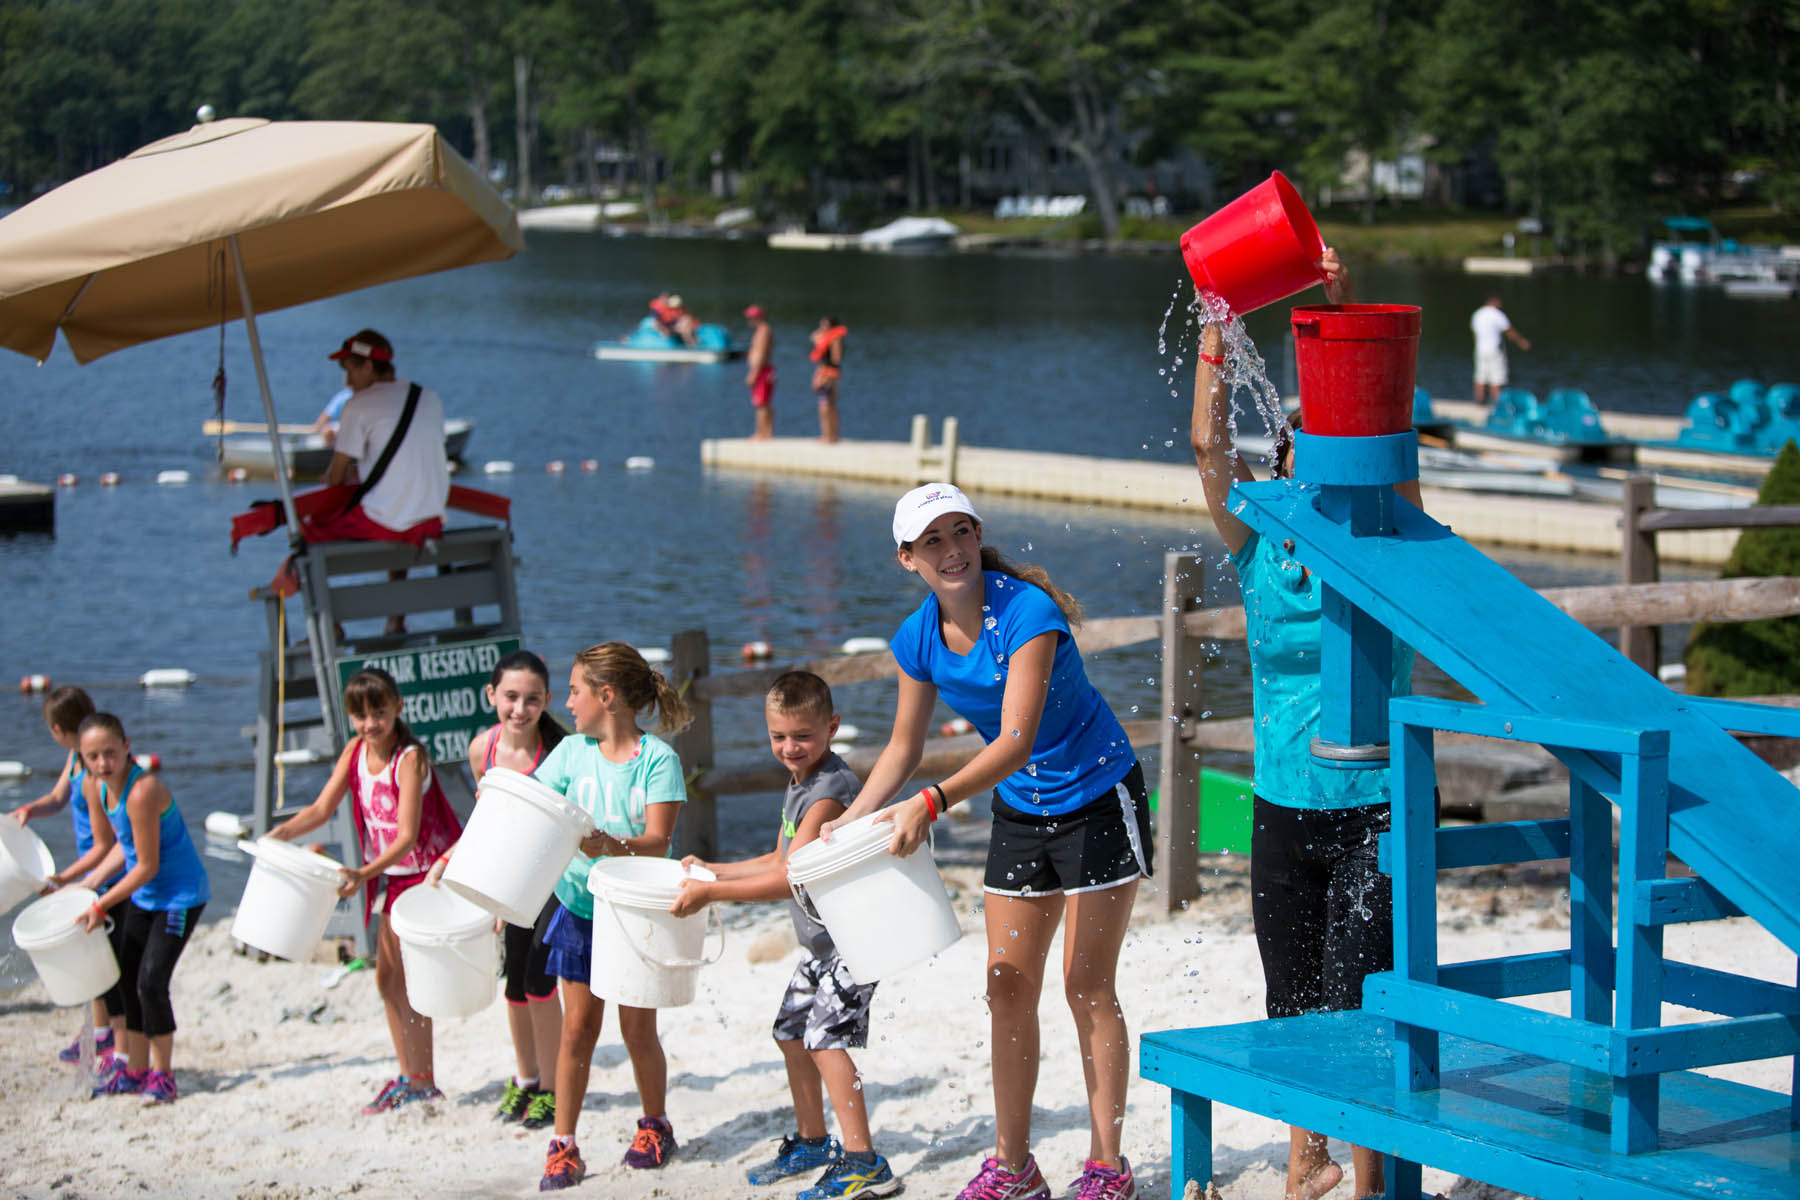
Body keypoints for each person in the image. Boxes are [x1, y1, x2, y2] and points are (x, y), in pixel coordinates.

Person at [829, 482, 1150, 1200]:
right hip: (1020, 810)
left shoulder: (1027, 612)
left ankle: (1108, 1167)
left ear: (978, 536)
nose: (951, 551)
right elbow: (904, 748)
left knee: (1086, 985)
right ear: (906, 558)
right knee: (1006, 985)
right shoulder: (917, 637)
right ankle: (1014, 1168)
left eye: (960, 533)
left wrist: (932, 804)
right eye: (932, 541)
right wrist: (851, 821)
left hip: (1099, 796)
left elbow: (1015, 740)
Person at [1190, 248, 1417, 1200]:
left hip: (1376, 800)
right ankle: (1303, 1166)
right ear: (1282, 463)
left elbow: (1377, 419)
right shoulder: (1259, 546)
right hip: (1282, 798)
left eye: (1330, 440)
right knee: (1292, 999)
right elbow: (1207, 450)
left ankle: (1368, 1178)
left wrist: (1341, 309)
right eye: (1296, 444)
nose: (1308, 455)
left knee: (1361, 993)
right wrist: (1215, 323)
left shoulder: (1386, 531)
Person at [670, 671, 900, 1200]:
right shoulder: (798, 783)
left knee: (825, 1040)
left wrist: (711, 896)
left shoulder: (831, 788)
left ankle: (864, 1160)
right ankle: (815, 1142)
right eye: (778, 737)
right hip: (819, 947)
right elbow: (778, 857)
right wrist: (714, 869)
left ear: (832, 728)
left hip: (853, 943)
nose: (790, 748)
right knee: (790, 1032)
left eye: (803, 736)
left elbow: (789, 878)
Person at [267, 667, 462, 1114]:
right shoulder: (356, 750)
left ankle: (422, 1079)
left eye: (379, 712)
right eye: (360, 715)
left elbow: (408, 837)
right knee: (387, 979)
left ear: (398, 708)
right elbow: (320, 808)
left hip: (423, 875)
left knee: (404, 982)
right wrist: (280, 835)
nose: (370, 723)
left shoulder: (409, 758)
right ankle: (411, 1074)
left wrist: (361, 872)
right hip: (389, 876)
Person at [533, 642, 691, 1191]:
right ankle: (563, 1143)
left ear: (607, 696)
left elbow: (658, 842)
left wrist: (608, 845)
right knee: (577, 1030)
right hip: (579, 909)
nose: (568, 703)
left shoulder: (658, 760)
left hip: (635, 913)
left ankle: (655, 1125)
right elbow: (533, 809)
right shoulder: (571, 752)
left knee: (636, 1029)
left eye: (575, 691)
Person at [426, 651, 566, 1130]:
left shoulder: (558, 753)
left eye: (531, 699)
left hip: (553, 881)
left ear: (547, 700)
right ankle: (526, 1079)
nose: (520, 709)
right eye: (510, 697)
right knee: (513, 985)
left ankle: (552, 1086)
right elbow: (488, 822)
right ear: (492, 696)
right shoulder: (481, 748)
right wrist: (452, 861)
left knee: (539, 982)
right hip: (507, 880)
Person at [46, 712, 210, 1103]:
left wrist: (101, 903)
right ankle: (135, 1070)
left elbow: (147, 864)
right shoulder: (100, 789)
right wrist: (83, 885)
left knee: (151, 982)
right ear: (81, 759)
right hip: (145, 895)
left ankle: (163, 1075)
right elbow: (124, 845)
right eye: (93, 757)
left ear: (126, 747)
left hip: (179, 896)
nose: (103, 763)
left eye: (109, 753)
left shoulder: (142, 791)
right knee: (123, 976)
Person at [298, 329, 450, 635]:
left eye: (350, 371)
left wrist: (333, 475)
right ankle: (396, 619)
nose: (347, 382)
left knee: (305, 528)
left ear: (368, 367)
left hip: (391, 524)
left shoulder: (358, 405)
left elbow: (336, 478)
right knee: (398, 505)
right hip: (432, 520)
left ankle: (331, 627)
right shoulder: (428, 397)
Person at [11, 686, 126, 1065]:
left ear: (60, 729)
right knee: (88, 947)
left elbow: (105, 841)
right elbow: (59, 798)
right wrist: (30, 808)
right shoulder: (76, 761)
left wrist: (62, 879)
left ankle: (108, 1036)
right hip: (91, 865)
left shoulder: (93, 771)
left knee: (98, 953)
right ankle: (98, 1032)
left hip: (104, 868)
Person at [1470, 294, 1530, 406]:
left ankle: (1479, 402)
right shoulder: (1497, 314)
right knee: (1496, 378)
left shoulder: (1477, 314)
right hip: (1494, 349)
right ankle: (1497, 405)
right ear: (1495, 302)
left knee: (1480, 377)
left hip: (1480, 349)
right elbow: (1509, 331)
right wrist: (1521, 342)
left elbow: (1475, 334)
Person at [808, 317, 847, 443]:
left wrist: (824, 375)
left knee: (826, 405)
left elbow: (836, 359)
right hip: (825, 372)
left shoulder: (835, 339)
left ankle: (830, 436)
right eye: (821, 325)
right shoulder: (824, 337)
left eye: (825, 325)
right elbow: (812, 336)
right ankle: (828, 435)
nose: (823, 328)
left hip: (829, 374)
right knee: (826, 405)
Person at [745, 305, 776, 440]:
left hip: (762, 371)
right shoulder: (761, 330)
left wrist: (754, 373)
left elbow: (762, 353)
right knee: (762, 402)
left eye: (751, 317)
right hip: (761, 370)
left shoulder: (764, 331)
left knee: (761, 403)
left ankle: (762, 433)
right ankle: (765, 432)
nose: (749, 320)